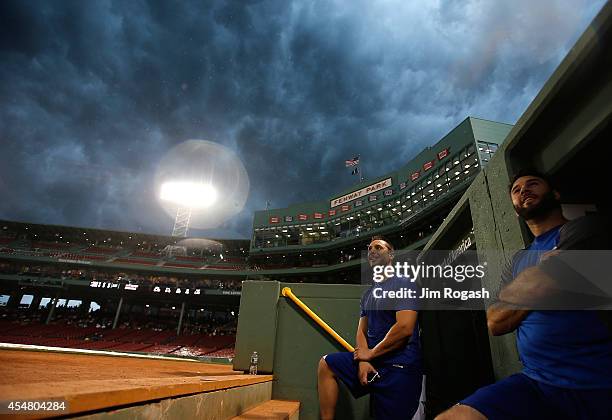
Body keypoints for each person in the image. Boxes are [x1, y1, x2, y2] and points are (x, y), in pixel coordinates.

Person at [436, 170, 612, 420]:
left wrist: (525, 288)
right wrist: (543, 273)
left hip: (596, 383)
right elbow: (495, 322)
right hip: (535, 381)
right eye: (516, 190)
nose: (523, 191)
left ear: (555, 193)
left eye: (532, 184)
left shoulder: (583, 229)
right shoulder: (519, 258)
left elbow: (536, 286)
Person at [317, 236, 423, 419]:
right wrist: (364, 360)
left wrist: (371, 354)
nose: (372, 251)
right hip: (373, 363)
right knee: (326, 364)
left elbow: (405, 327)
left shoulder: (404, 282)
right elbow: (361, 331)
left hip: (400, 367)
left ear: (391, 255)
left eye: (378, 247)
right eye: (369, 248)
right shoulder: (368, 294)